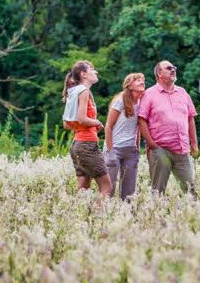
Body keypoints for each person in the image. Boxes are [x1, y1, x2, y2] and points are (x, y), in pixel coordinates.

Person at [138, 60, 199, 197]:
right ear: (159, 73)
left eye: (174, 67)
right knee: (158, 192)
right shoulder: (149, 94)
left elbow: (190, 118)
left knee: (191, 190)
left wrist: (194, 143)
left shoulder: (182, 92)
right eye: (169, 68)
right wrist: (152, 145)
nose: (173, 70)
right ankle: (156, 211)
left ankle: (193, 211)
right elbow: (141, 120)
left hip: (183, 149)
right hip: (160, 149)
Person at [62, 60, 113, 197]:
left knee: (83, 188)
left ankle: (77, 211)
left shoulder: (73, 91)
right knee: (107, 187)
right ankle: (100, 212)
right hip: (87, 145)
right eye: (92, 69)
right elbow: (82, 119)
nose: (96, 72)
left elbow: (67, 124)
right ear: (83, 74)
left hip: (77, 145)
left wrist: (90, 126)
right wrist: (96, 122)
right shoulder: (84, 91)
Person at [104, 72, 146, 200]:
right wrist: (110, 151)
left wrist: (136, 149)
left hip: (130, 150)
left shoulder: (142, 103)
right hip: (115, 148)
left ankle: (127, 212)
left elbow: (137, 128)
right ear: (129, 86)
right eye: (137, 80)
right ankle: (104, 211)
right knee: (109, 189)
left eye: (142, 80)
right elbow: (108, 126)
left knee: (129, 193)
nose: (142, 82)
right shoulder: (120, 100)